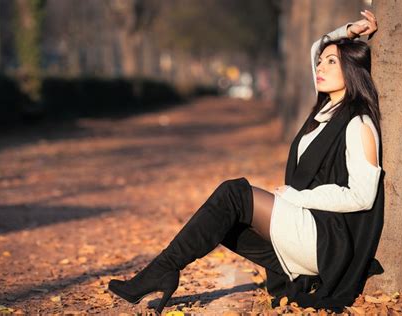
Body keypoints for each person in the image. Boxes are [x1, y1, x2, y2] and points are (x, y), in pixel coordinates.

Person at [108, 9, 384, 314]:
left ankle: (162, 270)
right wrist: (349, 30)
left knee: (234, 194)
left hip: (327, 241)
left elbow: (363, 196)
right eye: (321, 61)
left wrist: (297, 196)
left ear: (353, 71)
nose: (320, 65)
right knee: (221, 220)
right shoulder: (326, 111)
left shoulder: (358, 124)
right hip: (306, 228)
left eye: (332, 62)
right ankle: (164, 271)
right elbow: (316, 47)